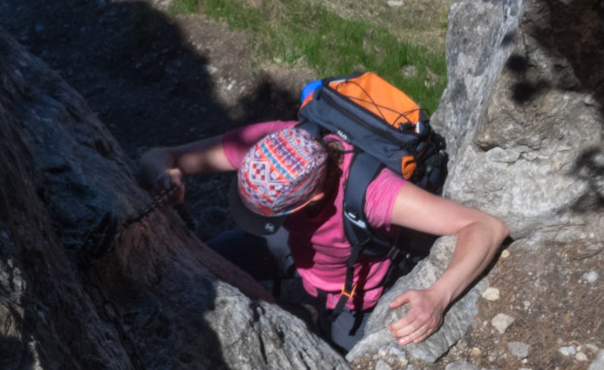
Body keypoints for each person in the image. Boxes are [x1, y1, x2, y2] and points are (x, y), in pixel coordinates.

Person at [138, 121, 508, 353]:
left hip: (355, 288)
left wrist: (438, 296)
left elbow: (485, 227)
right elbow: (160, 155)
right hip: (293, 246)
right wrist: (164, 176)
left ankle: (310, 317)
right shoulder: (274, 145)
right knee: (208, 264)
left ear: (314, 197)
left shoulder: (375, 193)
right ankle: (298, 309)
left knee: (340, 361)